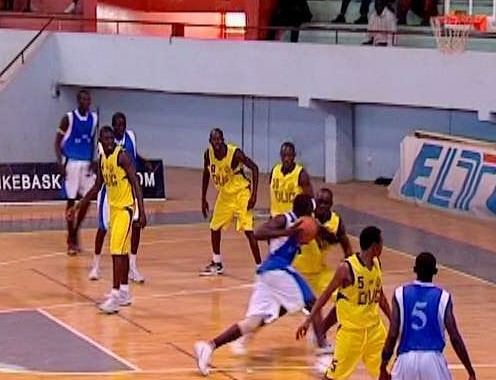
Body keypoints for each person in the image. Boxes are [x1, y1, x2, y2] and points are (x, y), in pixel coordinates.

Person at [194, 194, 326, 376]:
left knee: (251, 323)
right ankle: (323, 355)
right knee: (313, 302)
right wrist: (288, 233)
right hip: (277, 268)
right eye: (310, 212)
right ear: (305, 212)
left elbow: (315, 233)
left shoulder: (301, 224)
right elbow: (258, 233)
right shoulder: (285, 220)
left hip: (268, 275)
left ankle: (208, 346)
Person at [296, 226, 391, 380]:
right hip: (351, 334)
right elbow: (325, 296)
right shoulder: (346, 268)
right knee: (333, 377)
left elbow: (379, 295)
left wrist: (393, 320)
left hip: (375, 332)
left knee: (385, 374)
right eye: (381, 243)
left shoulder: (377, 263)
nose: (382, 246)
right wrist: (308, 321)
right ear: (374, 246)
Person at [74, 126, 146, 314]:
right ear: (100, 141)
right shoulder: (102, 160)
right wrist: (80, 204)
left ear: (114, 139)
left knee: (115, 250)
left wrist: (142, 211)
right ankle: (124, 292)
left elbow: (136, 183)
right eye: (104, 139)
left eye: (110, 138)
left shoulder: (122, 157)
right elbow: (97, 186)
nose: (108, 142)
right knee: (120, 253)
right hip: (113, 209)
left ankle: (114, 297)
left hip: (125, 209)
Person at [379, 252, 476, 380]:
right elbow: (455, 337)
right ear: (435, 271)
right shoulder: (443, 297)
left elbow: (392, 334)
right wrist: (470, 370)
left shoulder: (400, 293)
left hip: (405, 360)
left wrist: (383, 365)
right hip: (433, 362)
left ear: (415, 270)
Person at [89, 112, 152, 283]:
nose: (120, 127)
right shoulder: (105, 145)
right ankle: (95, 264)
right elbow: (100, 175)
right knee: (103, 228)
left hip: (127, 190)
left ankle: (132, 267)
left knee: (136, 225)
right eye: (117, 124)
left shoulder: (130, 136)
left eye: (123, 124)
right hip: (109, 191)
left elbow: (133, 155)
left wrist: (143, 160)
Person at [200, 128, 261, 276]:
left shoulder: (235, 153)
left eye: (220, 139)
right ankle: (217, 262)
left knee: (248, 230)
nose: (217, 142)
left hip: (241, 193)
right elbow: (206, 173)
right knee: (214, 227)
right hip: (225, 195)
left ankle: (260, 267)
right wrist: (203, 198)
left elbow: (255, 168)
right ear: (210, 141)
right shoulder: (208, 154)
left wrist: (253, 195)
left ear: (223, 139)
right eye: (214, 140)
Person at [54, 89, 98, 255]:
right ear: (78, 101)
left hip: (86, 163)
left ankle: (75, 232)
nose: (86, 102)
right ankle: (71, 239)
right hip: (71, 163)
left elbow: (93, 141)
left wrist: (94, 159)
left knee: (87, 200)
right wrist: (60, 163)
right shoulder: (68, 118)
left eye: (88, 99)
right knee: (71, 201)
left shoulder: (94, 119)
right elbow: (57, 142)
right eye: (83, 99)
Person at [270, 141, 313, 217]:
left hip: (293, 218)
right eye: (284, 155)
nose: (286, 159)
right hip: (276, 216)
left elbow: (310, 198)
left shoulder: (301, 174)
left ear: (294, 156)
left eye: (289, 156)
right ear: (280, 156)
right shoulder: (274, 170)